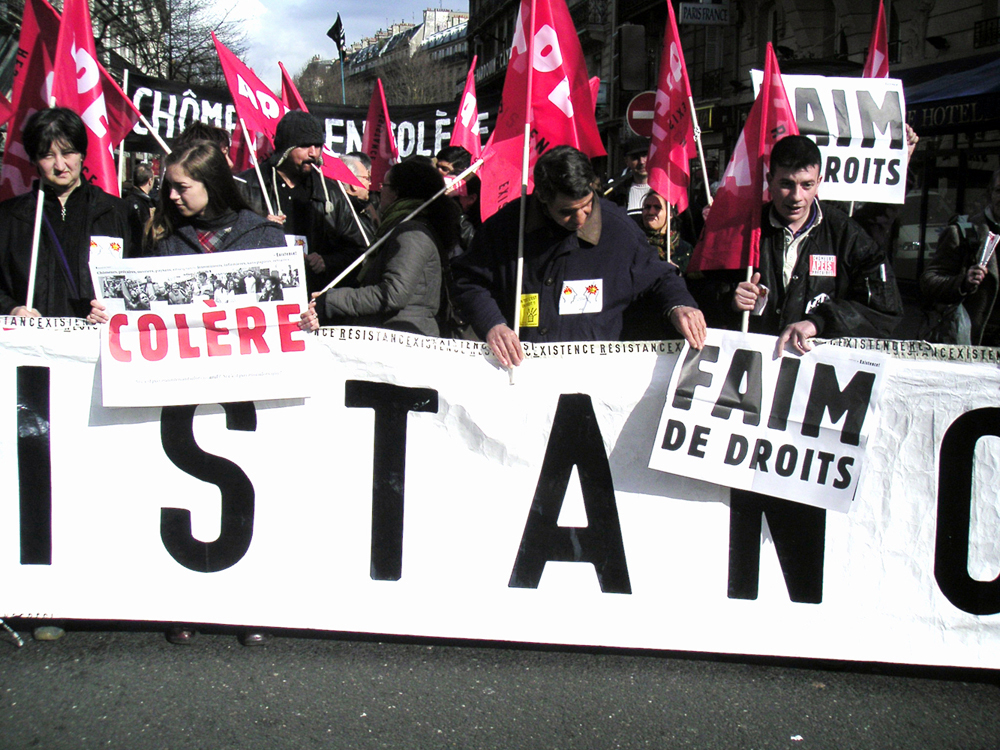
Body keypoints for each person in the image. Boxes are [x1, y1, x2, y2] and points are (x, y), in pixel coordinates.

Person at [450, 145, 706, 367]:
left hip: (592, 380)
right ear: (542, 198)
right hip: (521, 375)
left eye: (587, 206)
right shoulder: (508, 227)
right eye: (567, 212)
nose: (581, 218)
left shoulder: (617, 228)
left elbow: (660, 276)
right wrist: (492, 323)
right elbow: (468, 279)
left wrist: (679, 306)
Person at [700, 135, 902, 354]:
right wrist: (730, 299)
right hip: (755, 368)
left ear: (819, 181)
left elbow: (884, 311)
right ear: (770, 179)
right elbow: (701, 296)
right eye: (786, 184)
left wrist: (819, 323)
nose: (797, 197)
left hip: (817, 371)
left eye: (807, 185)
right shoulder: (740, 230)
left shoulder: (845, 233)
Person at [302, 158, 461, 336]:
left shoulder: (412, 233)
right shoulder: (403, 228)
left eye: (384, 185)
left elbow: (393, 294)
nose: (378, 189)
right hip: (395, 334)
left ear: (397, 192)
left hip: (404, 339)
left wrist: (332, 300)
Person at [0, 107, 133, 319]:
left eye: (68, 152)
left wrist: (112, 308)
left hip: (95, 343)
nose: (60, 165)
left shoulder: (117, 212)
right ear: (34, 160)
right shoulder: (10, 217)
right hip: (32, 345)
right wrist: (12, 309)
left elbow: (138, 281)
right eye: (47, 155)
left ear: (82, 154)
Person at [240, 111, 367, 292]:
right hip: (264, 294)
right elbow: (226, 243)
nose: (313, 153)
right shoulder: (248, 186)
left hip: (314, 297)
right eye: (305, 145)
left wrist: (327, 261)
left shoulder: (331, 192)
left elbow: (358, 250)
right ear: (286, 147)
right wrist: (257, 228)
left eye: (317, 145)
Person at [920, 168, 1000, 345]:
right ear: (989, 194)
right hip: (975, 342)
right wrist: (962, 282)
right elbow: (929, 281)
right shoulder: (963, 232)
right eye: (999, 191)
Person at [640, 191, 693, 274]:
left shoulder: (685, 250)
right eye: (647, 207)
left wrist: (677, 275)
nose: (651, 212)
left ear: (670, 214)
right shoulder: (635, 243)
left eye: (657, 207)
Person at [607, 136, 651, 218]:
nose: (641, 162)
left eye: (645, 155)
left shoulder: (665, 191)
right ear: (627, 161)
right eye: (635, 158)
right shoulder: (617, 194)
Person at [340, 152, 378, 241]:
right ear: (354, 183)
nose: (370, 183)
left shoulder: (360, 209)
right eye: (367, 178)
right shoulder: (344, 213)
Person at [125, 162, 156, 250]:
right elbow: (141, 232)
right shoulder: (138, 203)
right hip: (138, 252)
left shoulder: (128, 199)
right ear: (150, 181)